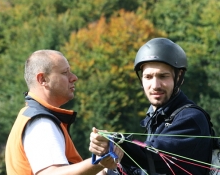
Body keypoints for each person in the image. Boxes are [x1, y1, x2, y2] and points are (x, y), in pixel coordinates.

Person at [89, 38, 212, 174]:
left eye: (163, 76)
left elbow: (156, 154)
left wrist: (116, 143)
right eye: (148, 77)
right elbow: (144, 170)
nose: (155, 86)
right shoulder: (157, 117)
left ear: (179, 77)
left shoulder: (190, 118)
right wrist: (111, 169)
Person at [5, 50, 123, 175]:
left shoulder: (30, 115)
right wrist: (99, 163)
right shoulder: (41, 122)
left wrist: (105, 170)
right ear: (43, 79)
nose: (74, 78)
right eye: (65, 73)